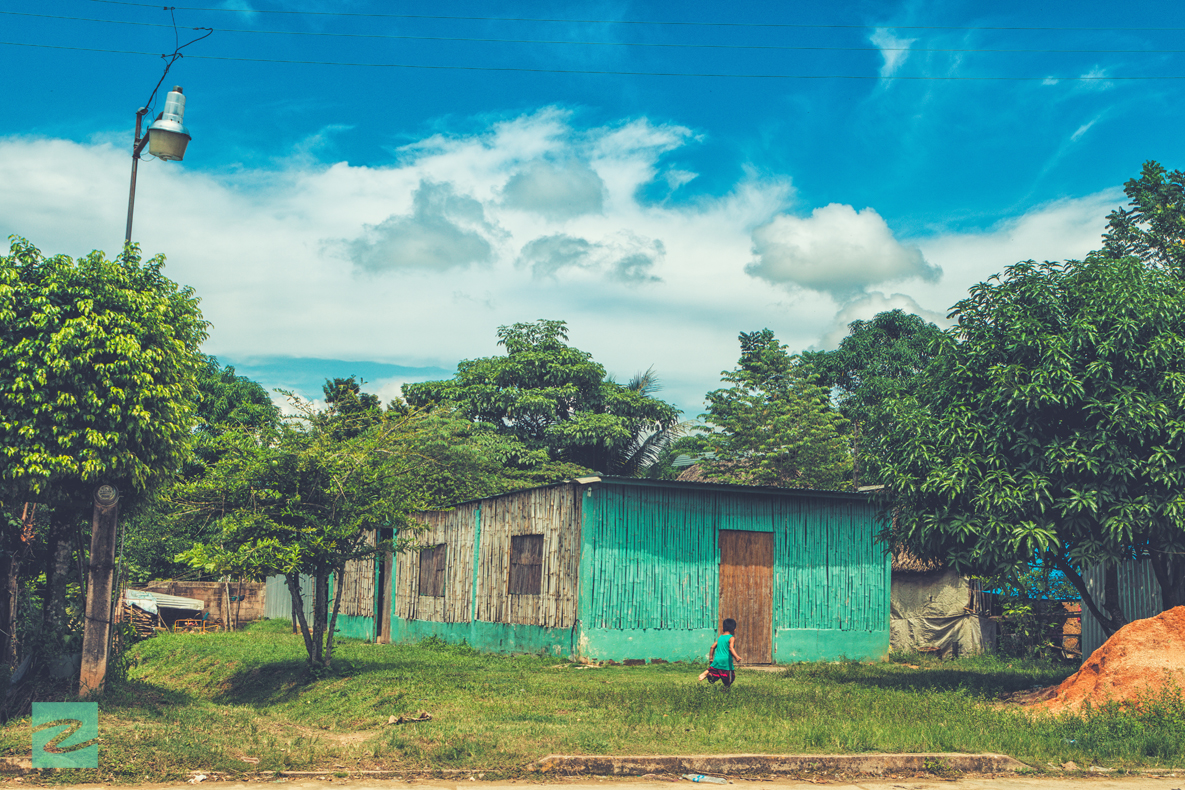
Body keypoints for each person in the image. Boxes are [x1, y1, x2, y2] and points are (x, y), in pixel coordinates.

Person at [698, 617, 741, 690]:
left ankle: (709, 674)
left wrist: (711, 658)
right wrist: (736, 656)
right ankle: (725, 691)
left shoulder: (720, 638)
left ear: (723, 628)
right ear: (734, 629)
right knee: (730, 678)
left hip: (717, 660)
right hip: (726, 662)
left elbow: (712, 647)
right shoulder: (731, 638)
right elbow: (731, 648)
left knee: (716, 676)